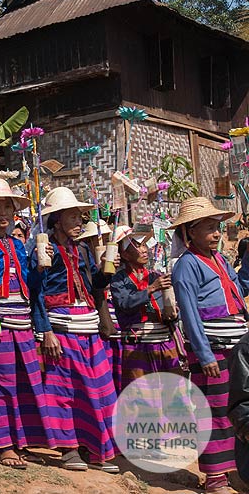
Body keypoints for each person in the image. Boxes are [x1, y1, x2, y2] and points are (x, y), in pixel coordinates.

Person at [0, 178, 57, 469]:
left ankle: (21, 439)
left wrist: (41, 269)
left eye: (8, 206)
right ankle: (1, 446)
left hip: (23, 323)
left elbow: (31, 286)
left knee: (24, 382)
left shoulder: (18, 245)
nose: (3, 213)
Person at [28, 187, 119, 473]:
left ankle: (95, 449)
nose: (79, 222)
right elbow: (36, 293)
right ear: (56, 221)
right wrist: (47, 332)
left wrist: (105, 272)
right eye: (72, 217)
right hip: (62, 327)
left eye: (80, 216)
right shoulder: (43, 250)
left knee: (97, 389)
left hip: (88, 324)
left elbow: (94, 287)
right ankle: (68, 449)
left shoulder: (82, 249)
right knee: (65, 390)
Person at [172, 197, 248, 494]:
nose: (217, 234)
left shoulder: (220, 260)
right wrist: (204, 355)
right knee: (214, 412)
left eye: (217, 227)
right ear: (190, 232)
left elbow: (239, 291)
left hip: (235, 349)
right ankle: (215, 477)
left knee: (236, 410)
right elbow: (190, 315)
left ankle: (236, 472)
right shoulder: (186, 266)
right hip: (212, 351)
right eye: (209, 228)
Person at [110, 226, 181, 391]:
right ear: (125, 255)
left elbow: (168, 308)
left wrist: (173, 312)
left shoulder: (155, 276)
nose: (144, 250)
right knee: (141, 396)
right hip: (137, 344)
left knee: (172, 393)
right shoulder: (118, 279)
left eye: (144, 245)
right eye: (137, 246)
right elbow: (124, 304)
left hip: (163, 341)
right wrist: (150, 289)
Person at [75, 220, 121, 392]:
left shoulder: (83, 252)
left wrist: (103, 271)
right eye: (95, 238)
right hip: (80, 323)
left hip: (98, 325)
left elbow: (97, 283)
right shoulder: (80, 252)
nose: (101, 241)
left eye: (106, 238)